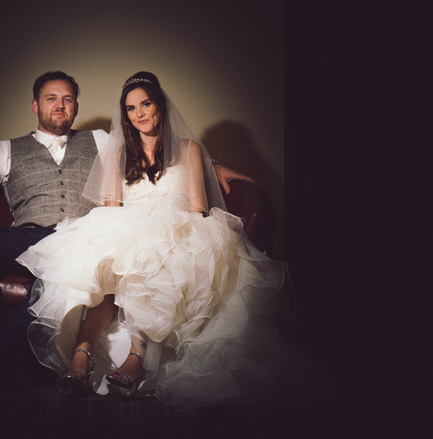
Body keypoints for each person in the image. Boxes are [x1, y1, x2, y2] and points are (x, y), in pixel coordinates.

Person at [17, 71, 312, 410]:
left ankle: (135, 356)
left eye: (146, 104)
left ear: (160, 105)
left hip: (178, 230)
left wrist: (165, 228)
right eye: (130, 108)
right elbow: (111, 207)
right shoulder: (117, 152)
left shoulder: (187, 149)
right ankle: (81, 357)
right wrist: (119, 239)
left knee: (150, 260)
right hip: (127, 228)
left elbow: (199, 207)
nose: (139, 113)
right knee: (102, 268)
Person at [0, 69, 251, 372]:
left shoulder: (103, 141)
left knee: (62, 275)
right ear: (35, 105)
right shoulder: (5, 150)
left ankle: (2, 364)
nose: (60, 105)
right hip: (28, 234)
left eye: (67, 99)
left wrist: (213, 168)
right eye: (51, 99)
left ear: (76, 106)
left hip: (77, 235)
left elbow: (156, 150)